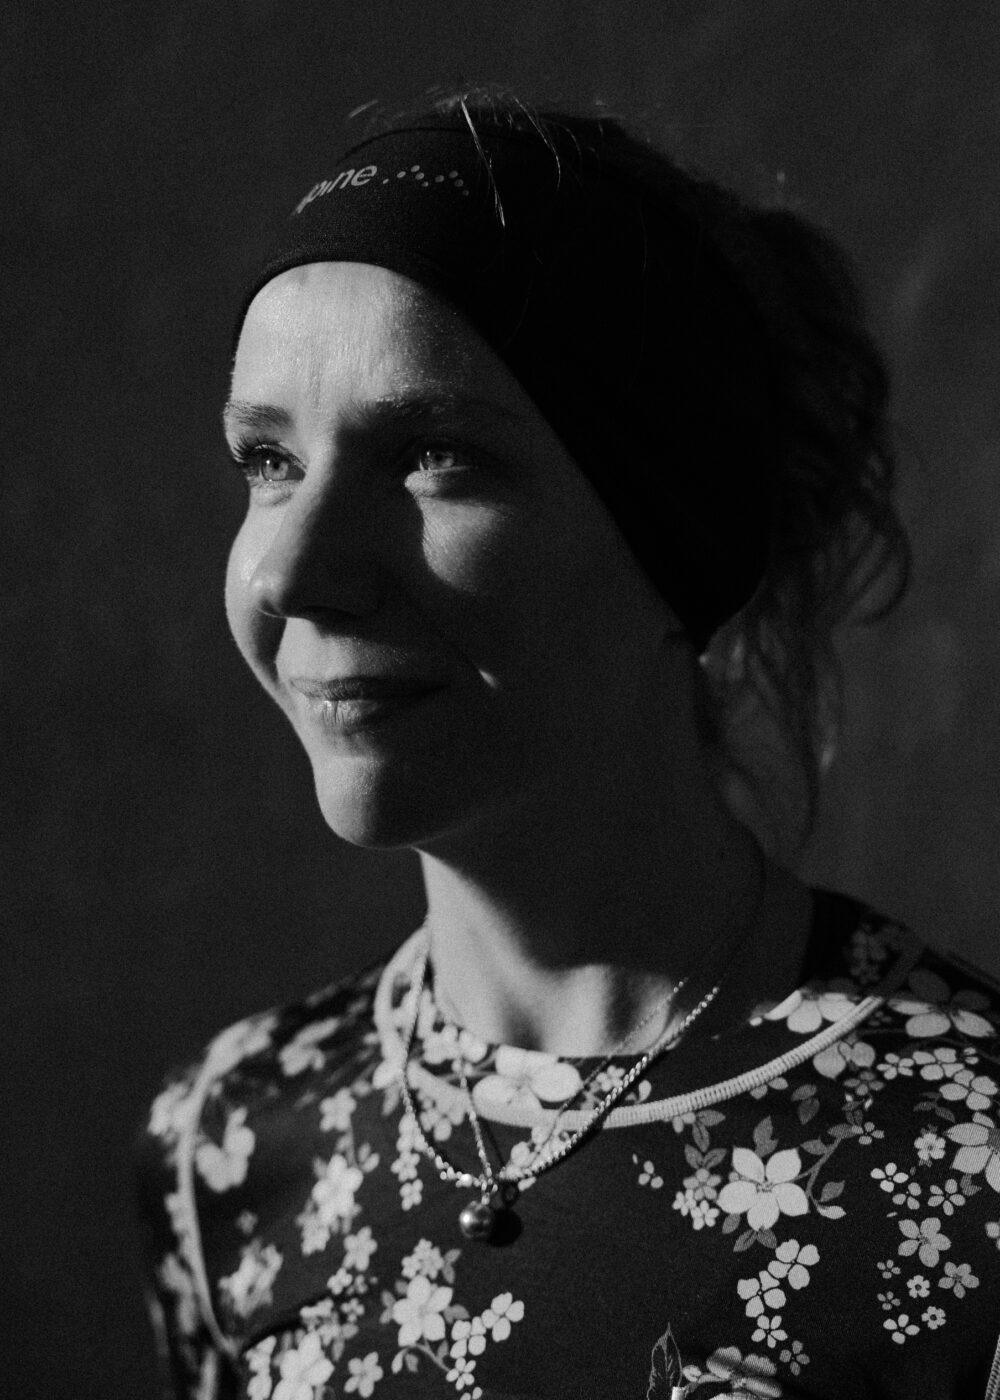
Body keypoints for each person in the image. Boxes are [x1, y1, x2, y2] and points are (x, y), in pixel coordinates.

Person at [136, 90, 1000, 1400]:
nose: (296, 571)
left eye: (434, 453)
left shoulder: (971, 1165)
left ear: (673, 537)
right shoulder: (227, 1138)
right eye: (267, 460)